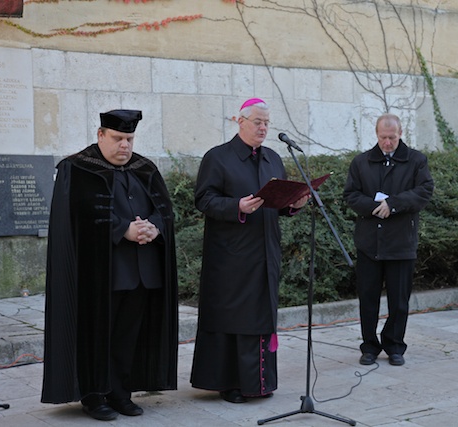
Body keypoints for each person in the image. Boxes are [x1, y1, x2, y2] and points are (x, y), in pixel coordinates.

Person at [41, 109, 179, 421]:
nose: (124, 146)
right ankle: (93, 395)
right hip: (100, 273)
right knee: (97, 335)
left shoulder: (145, 169)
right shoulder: (78, 169)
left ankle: (120, 392)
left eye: (129, 139)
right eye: (117, 138)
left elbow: (164, 210)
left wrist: (155, 227)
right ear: (101, 135)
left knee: (128, 336)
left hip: (143, 273)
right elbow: (75, 218)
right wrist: (122, 229)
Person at [190, 98, 309, 403]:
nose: (263, 127)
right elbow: (204, 199)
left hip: (266, 251)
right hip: (231, 256)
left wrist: (294, 204)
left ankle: (260, 383)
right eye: (258, 122)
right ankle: (231, 383)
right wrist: (236, 206)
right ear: (240, 121)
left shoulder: (272, 158)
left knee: (261, 318)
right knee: (235, 319)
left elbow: (277, 203)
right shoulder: (218, 158)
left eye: (267, 122)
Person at [343, 113, 434, 367]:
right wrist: (374, 206)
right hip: (369, 243)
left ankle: (395, 345)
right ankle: (369, 346)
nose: (387, 142)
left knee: (399, 300)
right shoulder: (361, 162)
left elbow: (424, 191)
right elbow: (351, 195)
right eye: (383, 137)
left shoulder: (416, 160)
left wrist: (393, 204)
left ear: (400, 133)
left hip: (400, 243)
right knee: (368, 298)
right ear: (376, 135)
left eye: (392, 137)